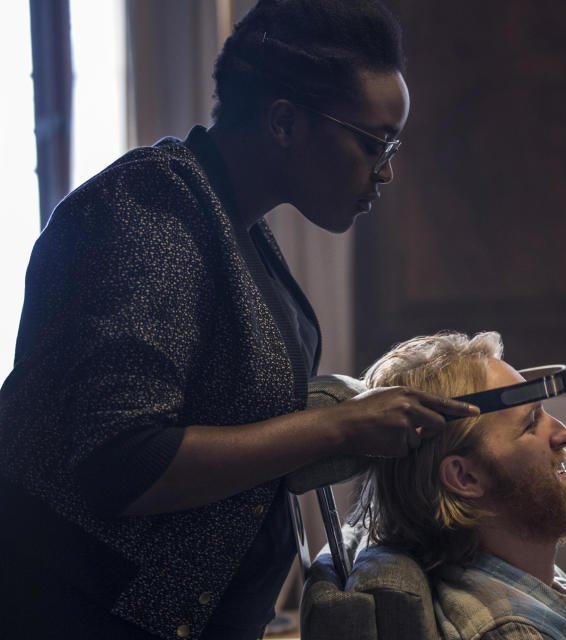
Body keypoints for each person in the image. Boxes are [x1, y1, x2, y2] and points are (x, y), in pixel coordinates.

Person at [0, 2, 478, 638]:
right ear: (285, 121)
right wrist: (338, 428)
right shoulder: (146, 214)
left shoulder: (235, 226)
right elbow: (121, 461)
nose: (386, 169)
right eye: (373, 142)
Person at [349, 331, 566, 640]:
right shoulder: (510, 633)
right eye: (530, 423)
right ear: (465, 478)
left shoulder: (527, 581)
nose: (564, 433)